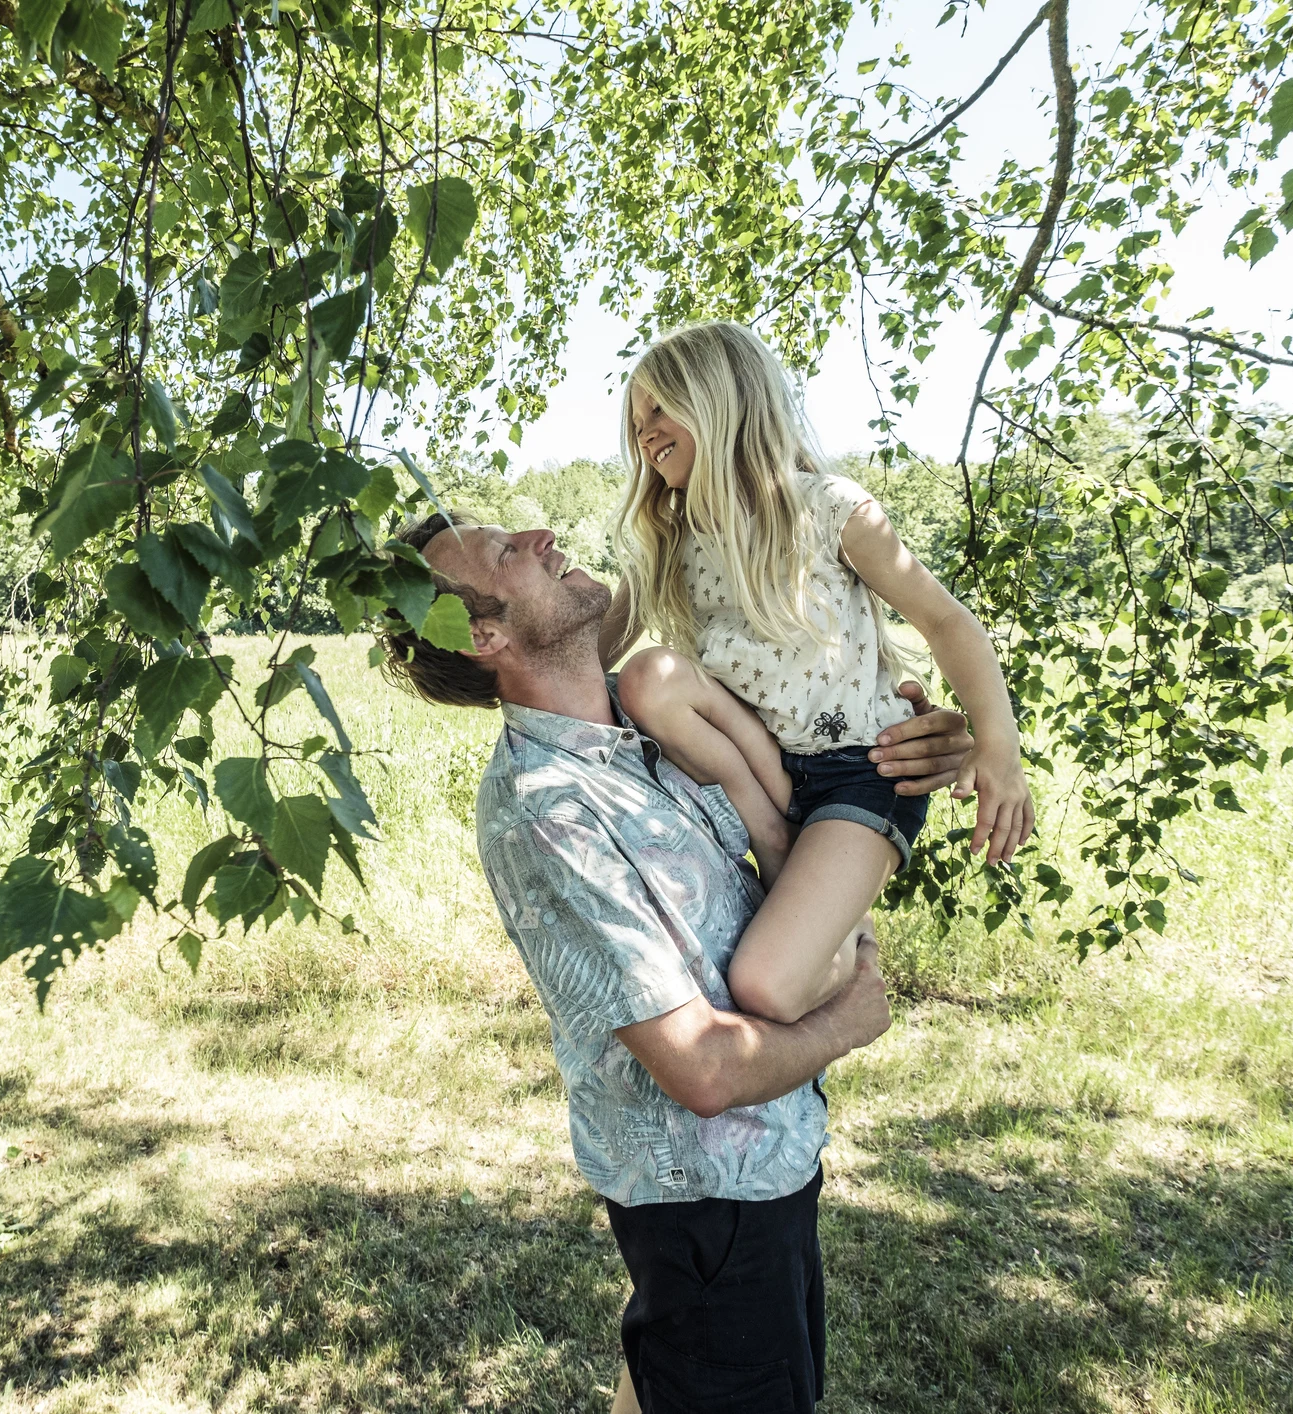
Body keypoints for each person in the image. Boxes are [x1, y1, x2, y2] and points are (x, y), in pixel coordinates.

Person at [378, 512, 973, 1413]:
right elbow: (697, 1069)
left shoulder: (653, 718)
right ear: (483, 634)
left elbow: (833, 763)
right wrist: (844, 1021)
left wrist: (920, 747)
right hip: (708, 1203)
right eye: (507, 552)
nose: (542, 533)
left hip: (769, 1160)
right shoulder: (547, 811)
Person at [605, 321, 1035, 1027]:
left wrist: (998, 749)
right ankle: (774, 840)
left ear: (722, 400)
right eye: (634, 418)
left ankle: (852, 953)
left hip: (864, 771)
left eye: (658, 408)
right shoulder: (667, 541)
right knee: (650, 674)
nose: (643, 432)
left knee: (767, 987)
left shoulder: (829, 508)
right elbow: (584, 658)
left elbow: (947, 623)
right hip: (764, 771)